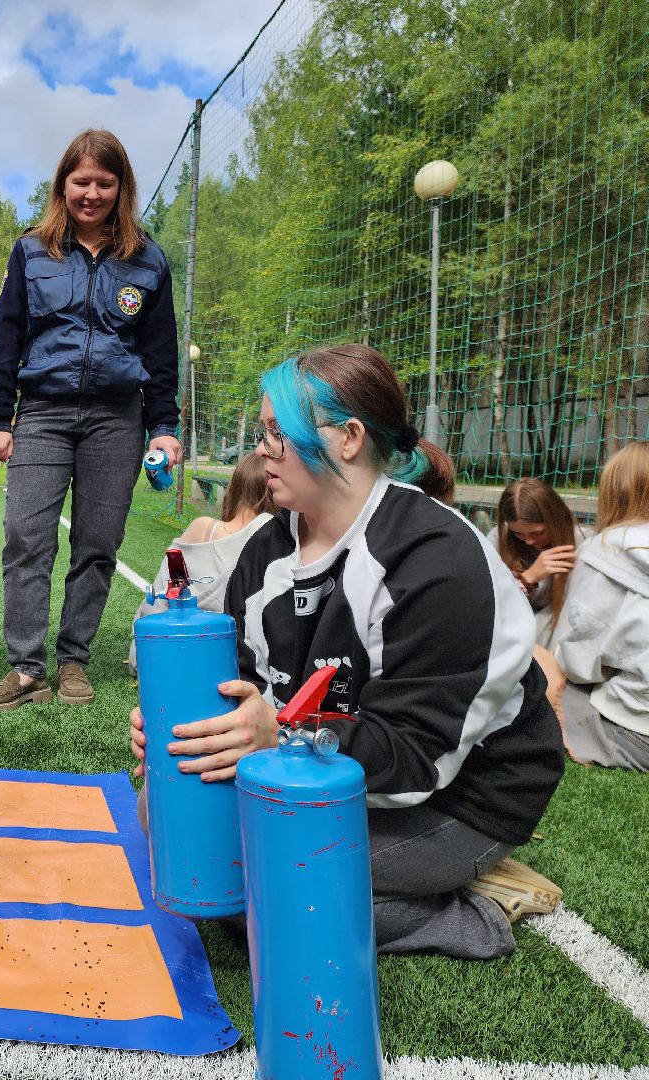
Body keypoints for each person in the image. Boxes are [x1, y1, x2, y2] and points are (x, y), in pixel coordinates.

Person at [131, 344, 564, 959]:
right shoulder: (266, 547)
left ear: (349, 438)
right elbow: (244, 681)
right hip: (320, 761)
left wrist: (277, 735)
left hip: (458, 795)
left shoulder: (437, 561)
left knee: (260, 893)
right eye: (263, 433)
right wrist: (192, 727)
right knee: (166, 815)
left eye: (278, 433)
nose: (261, 450)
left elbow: (417, 759)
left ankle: (471, 912)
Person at [0, 129, 181, 711]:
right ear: (62, 184)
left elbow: (162, 354)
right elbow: (5, 336)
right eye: (81, 181)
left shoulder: (149, 260)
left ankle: (73, 661)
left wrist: (164, 426)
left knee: (97, 543)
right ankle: (25, 669)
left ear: (121, 188)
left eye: (104, 183)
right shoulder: (31, 251)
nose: (92, 194)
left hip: (119, 419)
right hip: (42, 412)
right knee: (25, 537)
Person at [127, 453, 276, 676]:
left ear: (235, 487)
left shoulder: (201, 527)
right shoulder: (269, 533)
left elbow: (159, 595)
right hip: (222, 663)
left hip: (153, 653)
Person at [548, 442, 649, 770]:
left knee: (539, 665)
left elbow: (578, 663)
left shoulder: (606, 550)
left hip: (635, 728)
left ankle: (587, 740)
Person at [497, 477, 588, 645]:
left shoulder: (584, 543)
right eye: (518, 534)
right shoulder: (498, 538)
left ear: (556, 519)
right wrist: (527, 579)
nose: (528, 541)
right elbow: (495, 605)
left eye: (538, 533)